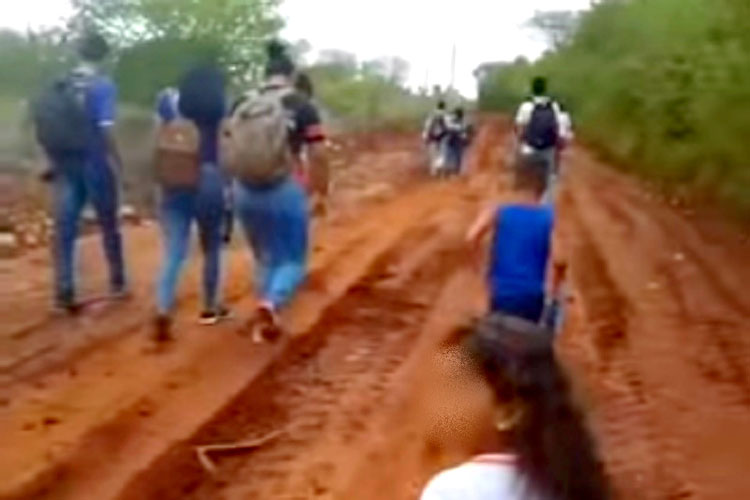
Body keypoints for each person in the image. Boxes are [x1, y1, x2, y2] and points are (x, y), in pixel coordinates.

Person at [421, 314, 612, 500]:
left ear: (508, 410)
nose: (436, 406)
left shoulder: (453, 489)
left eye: (453, 390)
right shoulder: (567, 484)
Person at [227, 41, 325, 341]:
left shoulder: (242, 103)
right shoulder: (302, 105)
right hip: (284, 188)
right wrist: (320, 190)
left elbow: (228, 146)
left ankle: (264, 314)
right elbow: (319, 154)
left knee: (266, 258)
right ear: (292, 74)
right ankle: (271, 303)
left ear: (265, 74)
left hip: (244, 190)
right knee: (293, 259)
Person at [34, 32, 128, 313]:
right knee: (108, 222)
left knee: (65, 228)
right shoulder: (102, 85)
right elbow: (105, 127)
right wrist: (117, 160)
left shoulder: (60, 84)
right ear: (104, 56)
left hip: (64, 161)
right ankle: (117, 281)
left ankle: (64, 292)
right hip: (94, 160)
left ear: (79, 53)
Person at [152, 65, 230, 342]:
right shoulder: (219, 108)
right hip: (208, 176)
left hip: (174, 179)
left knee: (174, 249)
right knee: (212, 248)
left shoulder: (167, 103)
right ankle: (210, 307)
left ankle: (162, 307)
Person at [467, 155, 566, 324]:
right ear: (543, 187)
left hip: (500, 294)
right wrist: (554, 293)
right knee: (555, 317)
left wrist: (481, 273)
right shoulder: (549, 217)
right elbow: (559, 260)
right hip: (533, 298)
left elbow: (471, 237)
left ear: (516, 182)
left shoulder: (498, 210)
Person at [514, 77, 562, 196]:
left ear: (532, 89)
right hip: (548, 148)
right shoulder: (554, 106)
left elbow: (520, 127)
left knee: (525, 181)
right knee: (547, 181)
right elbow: (557, 127)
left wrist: (521, 142)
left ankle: (527, 207)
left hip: (529, 147)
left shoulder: (526, 106)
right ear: (545, 89)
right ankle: (544, 209)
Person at [442, 107, 471, 176]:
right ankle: (454, 170)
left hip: (452, 140)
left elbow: (448, 128)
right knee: (457, 156)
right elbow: (465, 132)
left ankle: (449, 170)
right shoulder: (462, 122)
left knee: (449, 156)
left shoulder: (453, 120)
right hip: (456, 140)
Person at [423, 100, 448, 176]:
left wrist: (425, 137)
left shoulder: (431, 114)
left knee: (433, 155)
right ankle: (440, 169)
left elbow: (427, 126)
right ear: (444, 107)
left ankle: (433, 172)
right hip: (441, 137)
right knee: (441, 154)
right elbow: (446, 126)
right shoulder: (443, 115)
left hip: (431, 137)